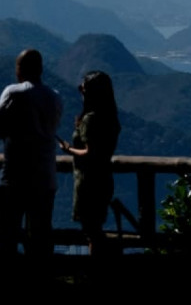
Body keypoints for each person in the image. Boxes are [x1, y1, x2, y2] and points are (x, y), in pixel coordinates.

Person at [0, 48, 62, 255]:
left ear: (20, 69)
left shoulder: (14, 92)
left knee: (8, 232)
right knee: (41, 234)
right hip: (46, 175)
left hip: (15, 175)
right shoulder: (55, 97)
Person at [58, 71, 120, 255]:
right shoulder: (110, 117)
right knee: (96, 229)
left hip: (88, 181)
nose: (80, 91)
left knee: (92, 232)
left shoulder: (91, 119)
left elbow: (89, 152)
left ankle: (96, 272)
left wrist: (68, 149)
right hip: (104, 178)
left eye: (83, 88)